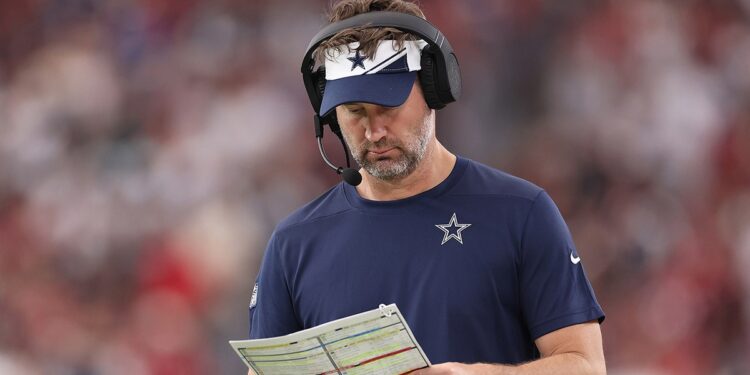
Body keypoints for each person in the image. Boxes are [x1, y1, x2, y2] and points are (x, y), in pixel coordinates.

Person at [248, 0, 606, 373]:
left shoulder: (520, 213)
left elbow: (586, 366)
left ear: (433, 90)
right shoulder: (294, 244)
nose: (374, 131)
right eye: (355, 112)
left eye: (388, 107)